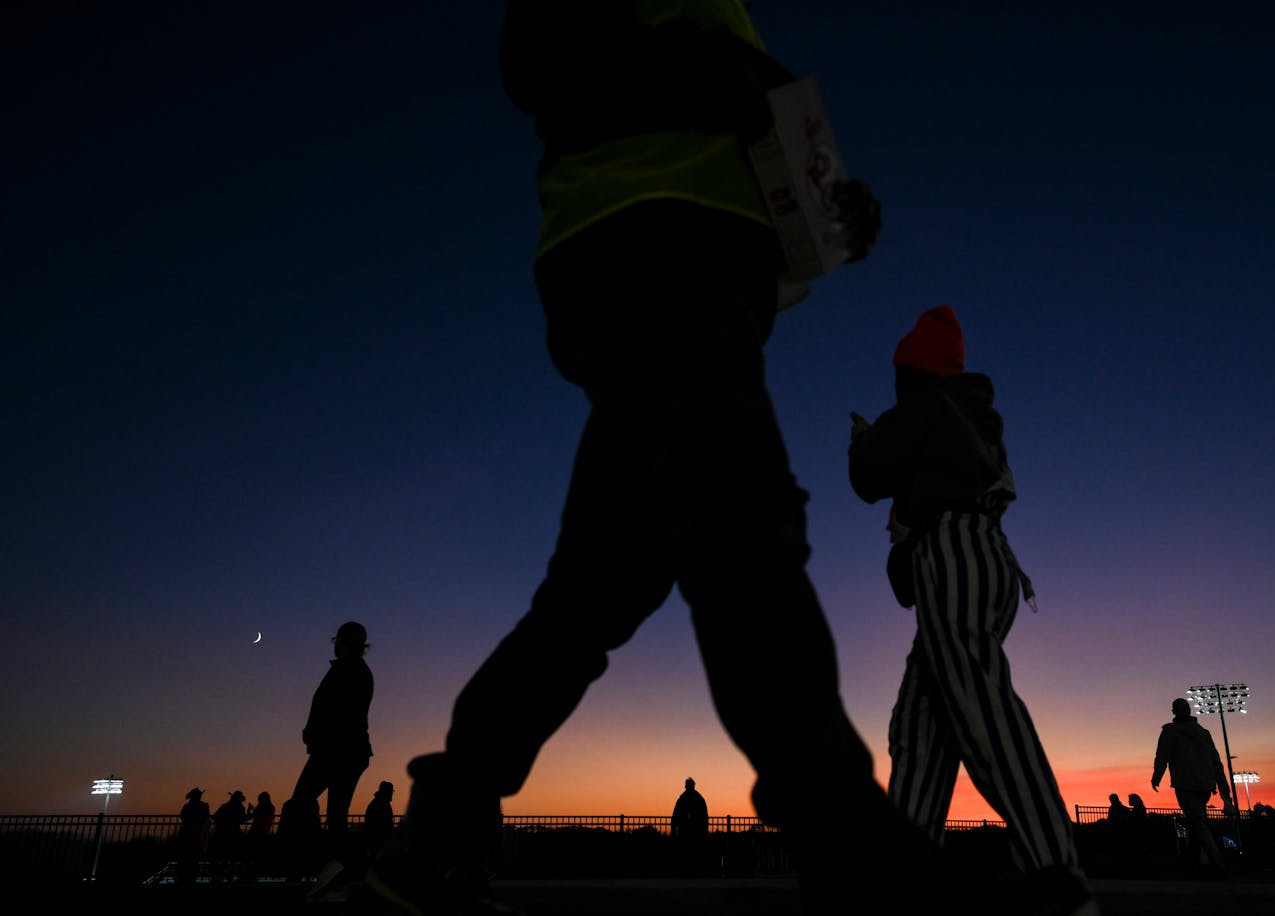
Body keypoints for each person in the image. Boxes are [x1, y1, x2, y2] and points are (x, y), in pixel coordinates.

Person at [358, 4, 1054, 915]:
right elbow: (537, 56)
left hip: (688, 269)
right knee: (746, 544)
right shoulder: (687, 31)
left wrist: (815, 203)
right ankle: (856, 856)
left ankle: (432, 846)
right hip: (651, 246)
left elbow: (733, 122)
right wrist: (716, 69)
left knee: (588, 595)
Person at [847, 305, 1093, 908]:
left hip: (957, 555)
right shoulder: (969, 425)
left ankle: (1059, 879)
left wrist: (866, 441)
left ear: (914, 373)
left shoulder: (931, 408)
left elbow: (868, 475)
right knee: (921, 725)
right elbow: (909, 557)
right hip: (978, 560)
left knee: (985, 715)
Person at [290, 620, 374, 889]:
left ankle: (313, 863)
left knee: (301, 804)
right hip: (347, 750)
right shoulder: (358, 671)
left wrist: (315, 735)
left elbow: (336, 711)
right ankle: (347, 872)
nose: (334, 645)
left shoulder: (347, 671)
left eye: (336, 640)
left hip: (336, 751)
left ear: (343, 641)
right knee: (335, 817)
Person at [1151, 697, 1232, 878]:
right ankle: (1193, 863)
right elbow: (1217, 763)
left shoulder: (1170, 732)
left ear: (1174, 711)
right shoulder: (1203, 732)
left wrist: (1156, 777)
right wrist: (1224, 791)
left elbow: (1162, 756)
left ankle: (1218, 865)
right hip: (1205, 785)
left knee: (1198, 824)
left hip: (1185, 784)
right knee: (1196, 822)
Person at [671, 777, 710, 876]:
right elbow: (705, 816)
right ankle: (696, 872)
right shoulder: (699, 798)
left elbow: (675, 816)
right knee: (696, 853)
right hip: (697, 831)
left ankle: (685, 872)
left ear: (686, 786)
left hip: (685, 830)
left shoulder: (682, 798)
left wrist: (674, 830)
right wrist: (705, 830)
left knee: (685, 852)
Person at [210, 790, 250, 883]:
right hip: (234, 834)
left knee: (223, 855)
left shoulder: (225, 806)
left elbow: (215, 817)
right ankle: (231, 874)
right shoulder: (240, 808)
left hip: (223, 833)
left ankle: (219, 874)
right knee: (232, 856)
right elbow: (243, 820)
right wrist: (249, 811)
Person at [175, 787, 210, 885]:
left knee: (186, 856)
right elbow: (206, 818)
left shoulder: (187, 806)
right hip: (197, 834)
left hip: (186, 834)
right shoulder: (204, 806)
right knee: (194, 857)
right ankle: (191, 877)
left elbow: (182, 817)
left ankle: (184, 877)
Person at [364, 781, 397, 865]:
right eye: (390, 791)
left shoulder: (376, 803)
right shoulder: (382, 804)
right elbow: (385, 824)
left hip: (376, 841)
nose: (391, 794)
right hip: (379, 841)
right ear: (386, 792)